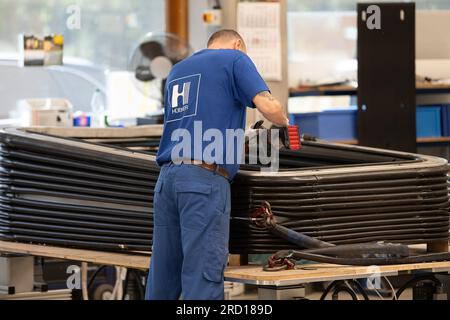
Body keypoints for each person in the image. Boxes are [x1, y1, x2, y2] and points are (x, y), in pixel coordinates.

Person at [145, 29, 288, 300]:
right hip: (204, 183)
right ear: (237, 44)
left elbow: (197, 123)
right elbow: (268, 106)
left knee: (163, 279)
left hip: (167, 181)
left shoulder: (177, 70)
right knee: (202, 278)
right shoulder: (235, 59)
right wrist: (285, 122)